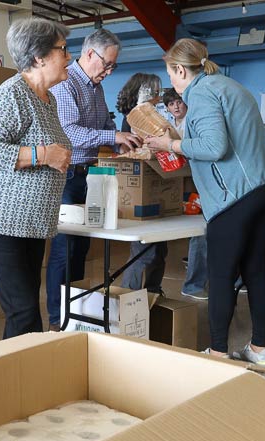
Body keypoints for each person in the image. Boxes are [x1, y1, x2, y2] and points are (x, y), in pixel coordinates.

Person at [146, 39, 265, 366]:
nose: (171, 81)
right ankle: (260, 349)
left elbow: (214, 146)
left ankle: (218, 353)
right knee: (253, 268)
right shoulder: (229, 85)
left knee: (220, 274)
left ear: (181, 70)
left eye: (171, 73)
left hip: (236, 193)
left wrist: (171, 145)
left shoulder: (202, 93)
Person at [0, 18, 72, 339]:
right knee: (23, 311)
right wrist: (44, 154)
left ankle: (21, 367)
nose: (69, 57)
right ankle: (19, 369)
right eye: (63, 50)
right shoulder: (12, 94)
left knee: (26, 309)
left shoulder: (47, 99)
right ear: (39, 57)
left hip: (28, 224)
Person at [46, 28, 141, 331]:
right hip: (67, 175)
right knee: (65, 248)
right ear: (89, 54)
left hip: (89, 175)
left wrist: (122, 142)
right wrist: (113, 136)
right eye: (107, 64)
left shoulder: (96, 88)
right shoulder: (67, 83)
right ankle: (57, 317)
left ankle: (75, 311)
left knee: (81, 248)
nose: (109, 71)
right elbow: (70, 133)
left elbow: (105, 125)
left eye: (114, 66)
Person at [116, 73, 169, 295]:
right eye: (154, 91)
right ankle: (129, 296)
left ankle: (153, 293)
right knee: (144, 250)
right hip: (140, 187)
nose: (158, 95)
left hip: (155, 185)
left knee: (159, 249)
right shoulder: (135, 117)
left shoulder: (149, 115)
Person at [164, 89, 207, 301]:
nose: (176, 106)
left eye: (179, 102)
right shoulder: (166, 126)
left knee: (200, 229)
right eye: (172, 103)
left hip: (196, 177)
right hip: (175, 179)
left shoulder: (194, 121)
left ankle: (195, 283)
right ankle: (194, 283)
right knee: (198, 229)